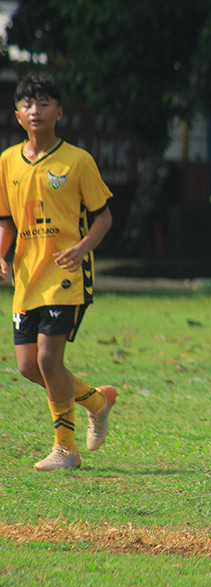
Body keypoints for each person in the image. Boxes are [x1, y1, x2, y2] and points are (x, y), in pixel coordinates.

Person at [0, 75, 118, 471]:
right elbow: (6, 221)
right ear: (18, 115)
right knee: (29, 366)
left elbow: (103, 217)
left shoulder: (78, 161)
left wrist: (82, 248)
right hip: (27, 278)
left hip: (67, 275)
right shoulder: (7, 162)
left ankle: (65, 449)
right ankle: (96, 401)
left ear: (59, 112)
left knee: (50, 358)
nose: (36, 110)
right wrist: (0, 255)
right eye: (28, 104)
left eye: (45, 102)